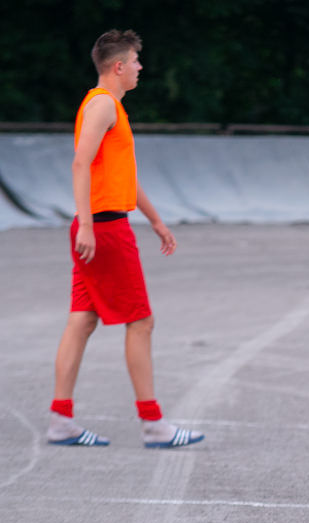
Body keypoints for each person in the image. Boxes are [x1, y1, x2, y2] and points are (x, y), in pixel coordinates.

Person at [47, 29, 203, 449]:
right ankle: (153, 423)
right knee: (141, 321)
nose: (139, 67)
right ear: (118, 66)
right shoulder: (102, 105)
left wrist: (155, 220)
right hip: (103, 229)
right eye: (135, 60)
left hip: (101, 224)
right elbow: (80, 164)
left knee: (82, 319)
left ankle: (61, 419)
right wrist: (85, 224)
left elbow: (122, 178)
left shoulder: (109, 107)